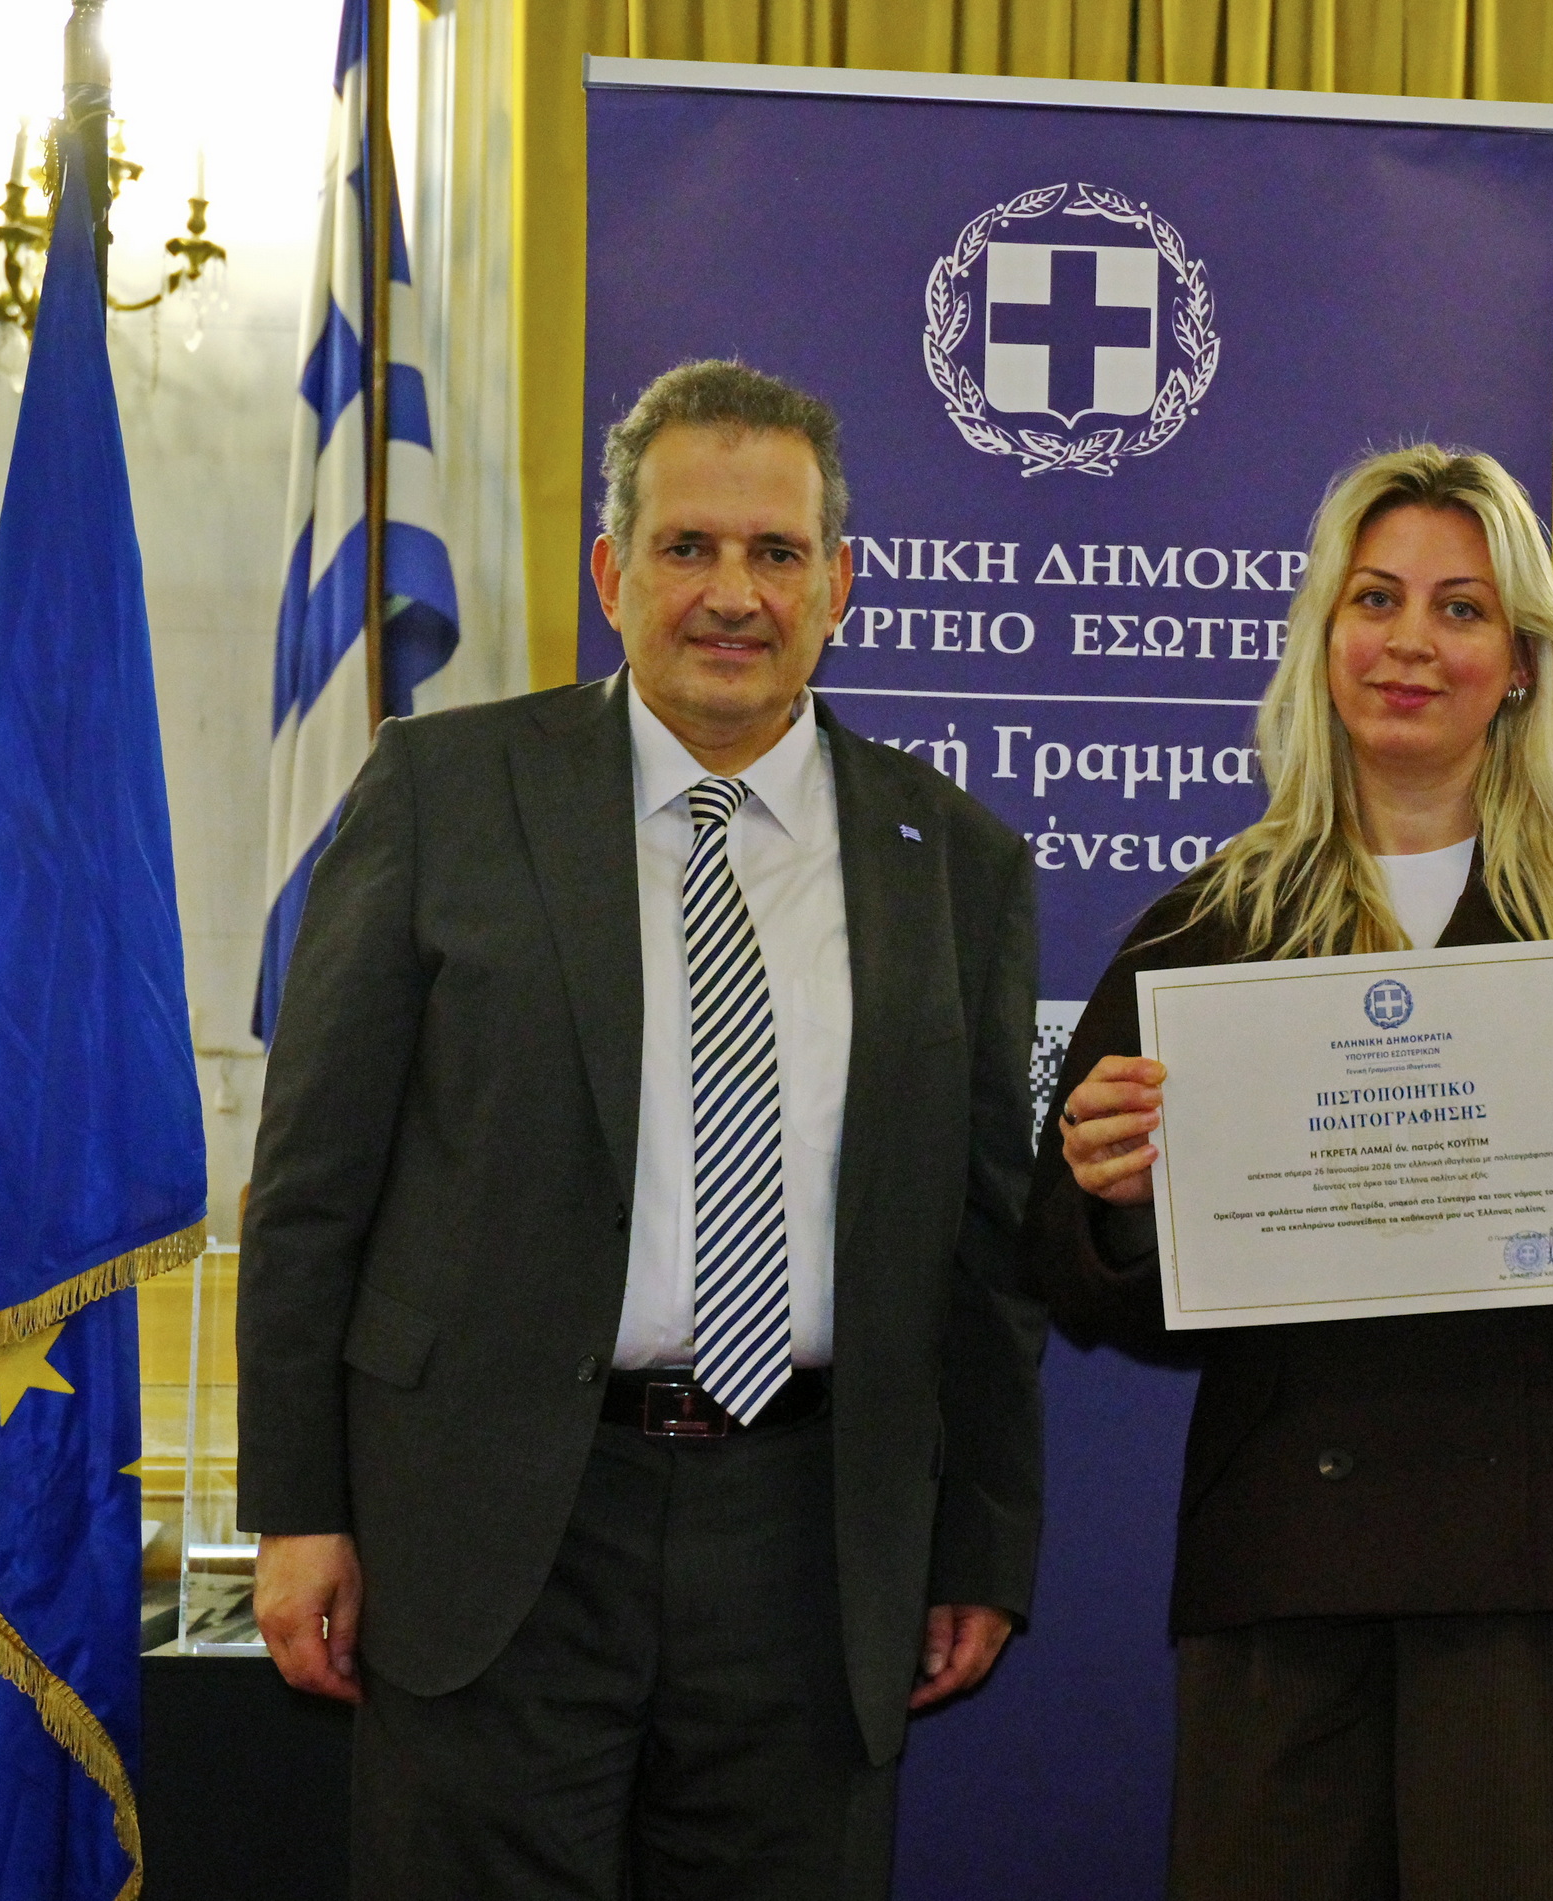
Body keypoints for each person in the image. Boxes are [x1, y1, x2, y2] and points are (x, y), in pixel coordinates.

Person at [1028, 444, 1553, 1900]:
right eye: (1375, 600)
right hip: (1285, 1566)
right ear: (1323, 643)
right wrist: (1108, 1200)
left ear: (1523, 664)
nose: (1411, 642)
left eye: (1461, 608)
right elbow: (1067, 1252)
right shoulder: (1206, 935)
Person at [238, 360, 1045, 1898]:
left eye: (776, 551)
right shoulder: (444, 793)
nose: (732, 593)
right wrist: (297, 1507)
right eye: (689, 547)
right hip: (487, 1527)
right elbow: (310, 1191)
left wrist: (982, 1545)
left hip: (809, 1544)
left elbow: (986, 1250)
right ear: (613, 576)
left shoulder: (956, 861)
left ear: (838, 588)